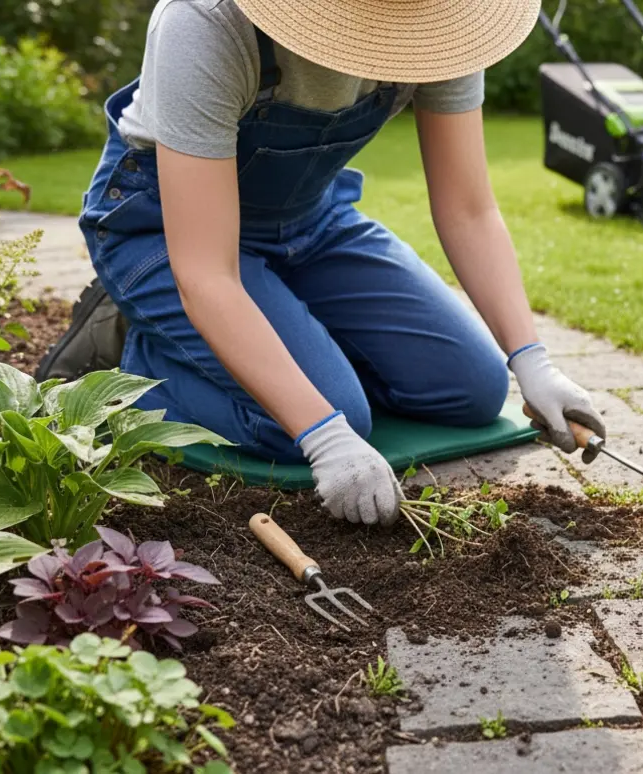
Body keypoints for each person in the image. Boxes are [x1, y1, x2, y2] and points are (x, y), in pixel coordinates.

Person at [35, 0, 606, 527]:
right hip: (167, 233)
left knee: (474, 390)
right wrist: (325, 434)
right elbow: (207, 272)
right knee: (320, 420)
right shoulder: (207, 22)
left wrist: (533, 361)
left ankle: (286, 335)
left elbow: (468, 209)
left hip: (310, 222)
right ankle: (136, 352)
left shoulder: (441, 21)